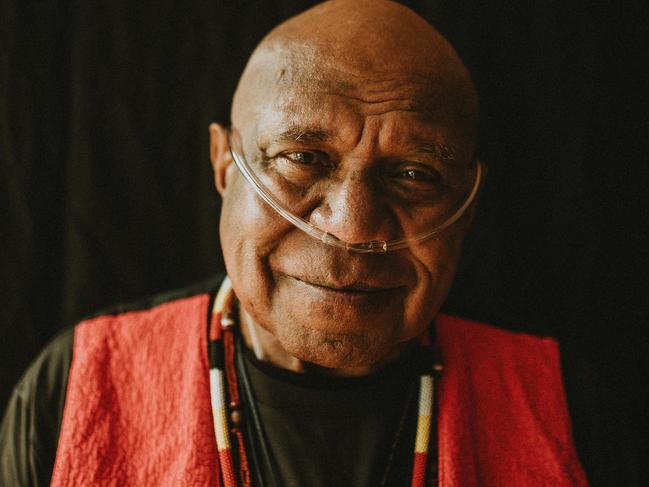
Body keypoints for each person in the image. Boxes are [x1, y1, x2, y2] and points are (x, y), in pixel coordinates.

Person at [0, 1, 639, 486]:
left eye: (415, 175)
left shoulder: (563, 410)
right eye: (303, 157)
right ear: (226, 167)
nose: (354, 228)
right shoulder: (78, 388)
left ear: (467, 204)